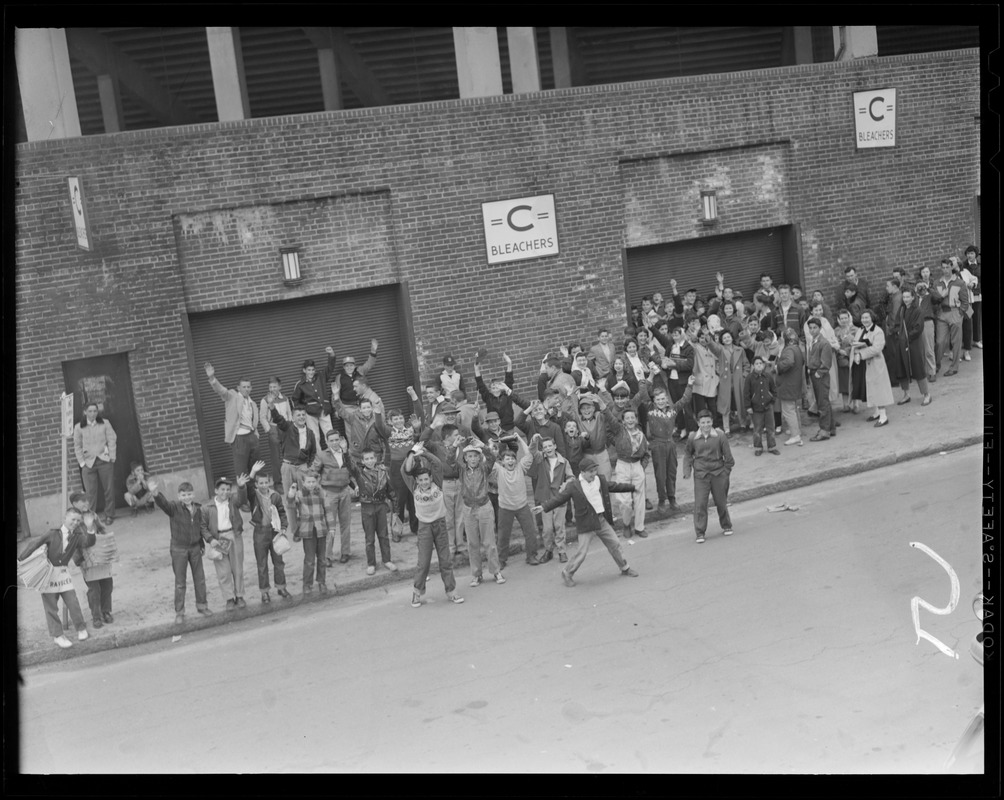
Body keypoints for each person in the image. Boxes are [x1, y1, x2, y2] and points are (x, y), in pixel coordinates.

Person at [534, 454, 639, 587]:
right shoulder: (574, 486)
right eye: (590, 472)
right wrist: (544, 507)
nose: (594, 474)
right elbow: (560, 498)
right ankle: (567, 572)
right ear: (582, 472)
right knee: (582, 553)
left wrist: (632, 487)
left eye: (595, 471)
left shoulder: (599, 480)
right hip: (586, 522)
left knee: (615, 544)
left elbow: (614, 486)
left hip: (600, 520)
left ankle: (625, 568)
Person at [19, 507, 94, 649]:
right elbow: (34, 544)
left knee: (73, 601)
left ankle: (81, 628)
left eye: (78, 520)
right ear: (64, 519)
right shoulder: (52, 533)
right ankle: (58, 635)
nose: (75, 523)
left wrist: (90, 528)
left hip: (63, 573)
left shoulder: (77, 535)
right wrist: (20, 559)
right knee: (50, 606)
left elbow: (87, 543)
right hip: (48, 574)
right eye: (73, 519)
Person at [401, 444, 464, 607]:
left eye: (426, 479)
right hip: (424, 528)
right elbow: (404, 470)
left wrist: (425, 453)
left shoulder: (437, 482)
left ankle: (451, 591)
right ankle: (417, 592)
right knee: (423, 562)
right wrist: (412, 453)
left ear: (431, 478)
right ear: (416, 481)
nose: (424, 482)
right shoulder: (414, 486)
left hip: (440, 525)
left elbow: (436, 463)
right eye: (421, 480)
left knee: (445, 560)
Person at [150, 479, 213, 624]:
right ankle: (179, 611)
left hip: (195, 547)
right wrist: (155, 493)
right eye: (183, 495)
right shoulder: (174, 508)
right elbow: (163, 504)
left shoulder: (198, 509)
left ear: (193, 494)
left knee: (200, 578)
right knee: (180, 582)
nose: (187, 497)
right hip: (179, 549)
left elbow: (199, 527)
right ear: (179, 496)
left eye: (189, 494)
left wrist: (201, 544)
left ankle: (202, 605)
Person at [204, 363, 259, 507]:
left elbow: (254, 421)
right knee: (242, 471)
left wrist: (256, 434)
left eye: (248, 387)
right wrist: (212, 378)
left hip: (252, 437)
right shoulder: (232, 397)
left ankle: (254, 498)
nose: (246, 389)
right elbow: (221, 390)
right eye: (244, 386)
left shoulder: (252, 403)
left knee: (254, 468)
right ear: (238, 388)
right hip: (239, 438)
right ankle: (244, 500)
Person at [374, 386, 423, 541]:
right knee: (399, 500)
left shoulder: (411, 429)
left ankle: (416, 527)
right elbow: (379, 424)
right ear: (390, 421)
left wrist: (414, 396)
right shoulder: (389, 431)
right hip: (396, 466)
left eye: (401, 418)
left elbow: (420, 416)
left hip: (413, 464)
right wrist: (376, 410)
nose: (399, 421)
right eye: (395, 419)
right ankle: (397, 531)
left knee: (414, 496)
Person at [641, 374, 695, 512]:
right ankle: (661, 500)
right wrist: (651, 377)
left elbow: (685, 399)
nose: (660, 401)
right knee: (660, 474)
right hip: (657, 446)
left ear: (667, 399)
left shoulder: (672, 410)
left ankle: (672, 498)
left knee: (671, 472)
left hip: (670, 444)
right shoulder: (651, 409)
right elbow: (642, 393)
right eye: (658, 399)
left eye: (663, 399)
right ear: (654, 400)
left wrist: (689, 385)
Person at [493, 433, 547, 570]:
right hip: (505, 508)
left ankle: (531, 556)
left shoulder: (521, 468)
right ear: (502, 461)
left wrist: (519, 439)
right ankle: (501, 559)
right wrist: (490, 445)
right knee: (503, 536)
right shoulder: (498, 470)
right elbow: (489, 460)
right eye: (507, 459)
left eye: (512, 459)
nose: (510, 461)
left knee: (530, 532)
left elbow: (529, 455)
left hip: (522, 506)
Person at [682, 409, 735, 543]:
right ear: (698, 423)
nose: (706, 425)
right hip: (701, 475)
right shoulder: (692, 437)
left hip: (718, 473)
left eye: (708, 422)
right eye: (703, 422)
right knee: (700, 503)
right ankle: (700, 532)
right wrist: (687, 471)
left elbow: (728, 458)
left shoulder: (720, 435)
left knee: (721, 502)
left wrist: (725, 473)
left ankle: (726, 525)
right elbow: (688, 454)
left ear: (712, 422)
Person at [269, 403, 317, 548]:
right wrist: (272, 407)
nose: (301, 417)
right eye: (298, 415)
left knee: (305, 498)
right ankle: (295, 530)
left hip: (302, 468)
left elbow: (313, 452)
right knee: (290, 500)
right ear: (293, 417)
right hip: (288, 466)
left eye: (303, 415)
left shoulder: (310, 433)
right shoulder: (288, 427)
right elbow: (278, 420)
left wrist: (307, 466)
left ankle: (305, 526)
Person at [457, 440, 504, 586]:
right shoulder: (461, 470)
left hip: (484, 507)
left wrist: (482, 446)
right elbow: (449, 460)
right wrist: (455, 446)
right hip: (468, 508)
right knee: (473, 543)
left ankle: (496, 571)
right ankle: (477, 574)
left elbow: (492, 457)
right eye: (469, 456)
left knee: (489, 541)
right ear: (465, 458)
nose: (472, 459)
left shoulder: (484, 469)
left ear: (479, 457)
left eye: (475, 456)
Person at [201, 473, 250, 610]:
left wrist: (241, 487)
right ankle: (229, 598)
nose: (225, 492)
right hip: (219, 538)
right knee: (224, 571)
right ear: (216, 491)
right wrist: (210, 540)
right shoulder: (207, 508)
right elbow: (203, 526)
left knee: (237, 568)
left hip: (233, 535)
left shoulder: (233, 501)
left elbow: (242, 499)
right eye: (222, 489)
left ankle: (239, 595)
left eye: (228, 489)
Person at [348, 448, 397, 576]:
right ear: (362, 461)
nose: (369, 461)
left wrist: (395, 509)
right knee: (369, 538)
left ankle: (387, 560)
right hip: (367, 507)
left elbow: (390, 490)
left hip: (381, 506)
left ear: (375, 459)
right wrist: (344, 452)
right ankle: (371, 563)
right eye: (367, 459)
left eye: (371, 458)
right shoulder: (359, 473)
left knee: (384, 535)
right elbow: (349, 465)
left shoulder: (383, 472)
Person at [246, 466, 290, 604]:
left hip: (274, 531)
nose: (264, 485)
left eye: (266, 482)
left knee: (278, 561)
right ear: (257, 484)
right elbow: (247, 487)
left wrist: (283, 527)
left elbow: (282, 512)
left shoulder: (275, 495)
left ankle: (281, 587)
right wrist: (252, 472)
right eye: (261, 483)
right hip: (260, 531)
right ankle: (264, 592)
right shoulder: (254, 495)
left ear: (269, 482)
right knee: (262, 564)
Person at [71, 495, 115, 629]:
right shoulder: (73, 519)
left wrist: (107, 546)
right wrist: (79, 561)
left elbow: (102, 530)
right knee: (94, 589)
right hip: (86, 560)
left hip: (100, 556)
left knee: (107, 584)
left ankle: (106, 611)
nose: (86, 503)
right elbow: (72, 544)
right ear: (74, 503)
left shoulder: (93, 515)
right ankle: (96, 616)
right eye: (82, 501)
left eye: (87, 501)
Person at [312, 429, 355, 566]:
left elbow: (353, 470)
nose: (335, 442)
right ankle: (327, 556)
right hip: (329, 493)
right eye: (332, 440)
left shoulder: (346, 453)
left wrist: (346, 451)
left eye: (337, 439)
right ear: (327, 441)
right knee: (330, 525)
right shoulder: (322, 455)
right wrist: (317, 490)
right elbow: (313, 473)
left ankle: (345, 552)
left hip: (344, 491)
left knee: (345, 524)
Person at [528, 435, 573, 563]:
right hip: (546, 498)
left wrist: (565, 484)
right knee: (547, 529)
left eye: (550, 446)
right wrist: (534, 441)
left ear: (555, 446)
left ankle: (562, 551)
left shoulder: (564, 461)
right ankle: (548, 550)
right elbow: (532, 451)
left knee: (559, 526)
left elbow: (571, 477)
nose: (548, 448)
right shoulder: (540, 459)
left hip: (559, 498)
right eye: (545, 447)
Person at [72, 401, 117, 525]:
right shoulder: (78, 427)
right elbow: (77, 446)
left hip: (104, 460)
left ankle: (109, 515)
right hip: (88, 463)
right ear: (85, 412)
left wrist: (112, 456)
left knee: (108, 489)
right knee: (90, 493)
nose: (93, 413)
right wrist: (82, 463)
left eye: (95, 411)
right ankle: (90, 517)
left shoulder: (104, 423)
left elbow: (112, 439)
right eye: (90, 411)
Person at [289, 471, 331, 594]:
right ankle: (307, 584)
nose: (311, 484)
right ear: (304, 482)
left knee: (322, 558)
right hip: (307, 530)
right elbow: (290, 505)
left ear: (317, 482)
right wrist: (291, 494)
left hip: (321, 529)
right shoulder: (299, 494)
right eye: (309, 482)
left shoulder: (322, 493)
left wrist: (332, 527)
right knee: (309, 559)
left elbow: (328, 510)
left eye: (313, 482)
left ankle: (321, 581)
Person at [930, 258, 969, 377]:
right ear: (941, 268)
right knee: (940, 342)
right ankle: (936, 366)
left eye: (948, 267)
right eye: (943, 267)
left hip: (955, 312)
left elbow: (965, 302)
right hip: (942, 314)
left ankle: (954, 367)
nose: (945, 270)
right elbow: (934, 300)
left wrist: (960, 313)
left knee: (956, 342)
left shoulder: (959, 282)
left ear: (952, 267)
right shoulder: (937, 283)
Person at [855, 309, 894, 427]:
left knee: (879, 388)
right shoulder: (860, 330)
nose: (865, 320)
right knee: (871, 388)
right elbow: (855, 342)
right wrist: (856, 351)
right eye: (863, 318)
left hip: (876, 363)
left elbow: (877, 348)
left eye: (867, 317)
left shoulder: (878, 331)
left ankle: (883, 416)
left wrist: (861, 353)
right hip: (865, 364)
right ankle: (877, 412)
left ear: (872, 318)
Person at [897, 286, 933, 407]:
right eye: (904, 297)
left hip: (914, 342)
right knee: (902, 367)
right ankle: (906, 394)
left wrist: (906, 337)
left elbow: (918, 328)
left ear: (913, 297)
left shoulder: (918, 310)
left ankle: (926, 394)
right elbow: (897, 324)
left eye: (908, 297)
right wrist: (900, 336)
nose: (906, 299)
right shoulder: (902, 309)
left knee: (918, 368)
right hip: (902, 342)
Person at [477, 351, 530, 431]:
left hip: (508, 428)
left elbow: (509, 379)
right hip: (494, 429)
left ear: (502, 386)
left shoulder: (506, 394)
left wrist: (509, 363)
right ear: (490, 390)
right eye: (493, 385)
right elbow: (480, 383)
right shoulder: (487, 397)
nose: (495, 386)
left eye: (497, 384)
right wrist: (476, 368)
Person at [292, 357, 334, 447]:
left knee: (330, 434)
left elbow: (330, 367)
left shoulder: (321, 377)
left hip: (324, 410)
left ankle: (333, 457)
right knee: (315, 436)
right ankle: (317, 459)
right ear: (304, 370)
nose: (311, 372)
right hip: (310, 414)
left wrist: (331, 355)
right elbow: (295, 400)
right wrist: (303, 410)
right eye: (309, 370)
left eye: (313, 370)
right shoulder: (300, 384)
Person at [259, 376, 292, 488]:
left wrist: (290, 427)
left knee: (288, 456)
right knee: (276, 458)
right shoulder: (264, 400)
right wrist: (269, 430)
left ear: (280, 387)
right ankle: (278, 483)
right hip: (274, 428)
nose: (272, 389)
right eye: (270, 387)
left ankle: (290, 481)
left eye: (275, 386)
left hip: (285, 428)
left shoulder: (285, 399)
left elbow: (289, 414)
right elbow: (262, 417)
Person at [805, 318, 835, 441]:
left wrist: (819, 373)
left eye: (815, 328)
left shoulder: (824, 343)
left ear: (820, 328)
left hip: (820, 376)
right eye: (810, 328)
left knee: (822, 403)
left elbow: (826, 362)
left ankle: (824, 431)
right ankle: (831, 427)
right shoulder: (813, 341)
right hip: (814, 373)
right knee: (824, 401)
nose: (812, 330)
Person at [744, 356, 780, 456]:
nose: (759, 365)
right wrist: (748, 407)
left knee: (771, 428)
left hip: (768, 407)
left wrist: (772, 401)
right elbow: (746, 393)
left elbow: (774, 389)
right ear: (753, 366)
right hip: (756, 408)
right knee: (757, 429)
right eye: (757, 363)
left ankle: (772, 446)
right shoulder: (749, 378)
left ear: (763, 365)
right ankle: (758, 447)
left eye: (761, 363)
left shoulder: (768, 376)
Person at [776, 328, 805, 446]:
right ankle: (797, 430)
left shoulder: (788, 349)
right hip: (795, 382)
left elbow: (788, 362)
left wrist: (778, 367)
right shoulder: (798, 348)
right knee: (794, 408)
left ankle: (795, 435)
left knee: (788, 410)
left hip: (788, 384)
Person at [833, 309, 864, 413]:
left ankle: (856, 405)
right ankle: (845, 405)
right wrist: (838, 350)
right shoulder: (836, 331)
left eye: (845, 317)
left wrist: (846, 351)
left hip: (853, 359)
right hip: (840, 360)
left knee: (853, 382)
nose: (844, 320)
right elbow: (833, 343)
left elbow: (858, 343)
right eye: (841, 318)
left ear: (849, 317)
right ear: (838, 319)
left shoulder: (856, 329)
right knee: (843, 383)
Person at [914, 266, 938, 382]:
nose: (921, 289)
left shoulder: (929, 296)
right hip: (916, 325)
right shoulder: (914, 298)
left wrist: (929, 289)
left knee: (929, 349)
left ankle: (932, 371)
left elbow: (938, 298)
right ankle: (923, 372)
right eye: (919, 287)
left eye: (922, 287)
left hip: (927, 322)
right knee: (919, 350)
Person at [963, 245, 982, 350]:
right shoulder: (964, 266)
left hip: (977, 295)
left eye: (972, 253)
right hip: (967, 297)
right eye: (968, 253)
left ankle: (977, 340)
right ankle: (966, 341)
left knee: (976, 317)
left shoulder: (979, 265)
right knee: (967, 317)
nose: (969, 256)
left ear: (976, 254)